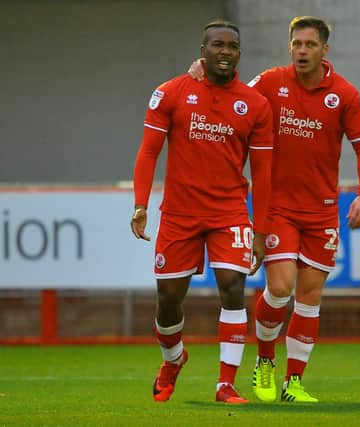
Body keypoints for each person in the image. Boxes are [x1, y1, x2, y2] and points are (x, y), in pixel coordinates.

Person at [189, 15, 360, 403]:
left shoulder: (343, 94)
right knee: (280, 288)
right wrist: (201, 74)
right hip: (278, 209)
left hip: (322, 211)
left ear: (325, 50)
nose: (302, 51)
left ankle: (294, 383)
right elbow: (232, 93)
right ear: (289, 47)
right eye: (296, 44)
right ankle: (264, 360)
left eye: (310, 45)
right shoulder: (271, 83)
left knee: (309, 298)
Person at [130, 20, 273, 404]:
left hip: (229, 212)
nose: (226, 51)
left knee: (233, 286)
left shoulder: (256, 105)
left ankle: (225, 384)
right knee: (169, 298)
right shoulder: (171, 93)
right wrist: (141, 204)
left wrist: (260, 230)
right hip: (179, 213)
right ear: (203, 49)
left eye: (233, 46)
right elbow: (148, 152)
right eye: (218, 45)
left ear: (240, 53)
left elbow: (263, 173)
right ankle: (173, 359)